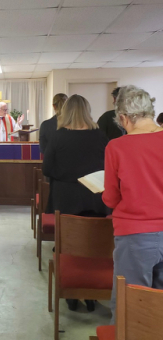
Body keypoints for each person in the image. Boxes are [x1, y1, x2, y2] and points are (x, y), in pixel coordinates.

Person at [43, 94, 110, 312]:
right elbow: (108, 166)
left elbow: (47, 169)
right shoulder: (100, 136)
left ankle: (71, 292)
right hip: (95, 196)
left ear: (66, 112)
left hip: (67, 198)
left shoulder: (58, 136)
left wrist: (68, 176)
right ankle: (91, 292)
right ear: (87, 110)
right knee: (94, 243)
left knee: (69, 245)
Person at [102, 85, 163, 322]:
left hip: (136, 235)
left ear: (124, 117)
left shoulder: (117, 147)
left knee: (130, 305)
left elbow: (111, 198)